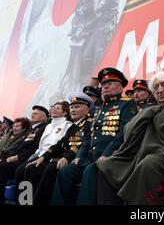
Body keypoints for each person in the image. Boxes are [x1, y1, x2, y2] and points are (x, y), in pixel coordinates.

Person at [96, 71, 164, 204]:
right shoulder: (151, 110)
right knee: (106, 166)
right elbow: (129, 133)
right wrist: (152, 113)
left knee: (148, 164)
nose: (160, 90)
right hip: (141, 152)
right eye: (156, 88)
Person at [51, 68, 137, 205]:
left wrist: (107, 153)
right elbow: (89, 138)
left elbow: (124, 133)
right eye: (103, 84)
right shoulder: (99, 109)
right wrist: (79, 156)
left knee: (90, 171)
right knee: (66, 171)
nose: (105, 86)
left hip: (114, 157)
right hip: (91, 157)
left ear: (120, 86)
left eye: (110, 83)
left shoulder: (127, 104)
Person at [19, 93, 94, 204]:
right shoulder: (74, 126)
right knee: (31, 168)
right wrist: (43, 157)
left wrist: (66, 157)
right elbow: (59, 144)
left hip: (76, 159)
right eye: (72, 107)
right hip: (63, 157)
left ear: (87, 110)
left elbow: (82, 144)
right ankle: (26, 202)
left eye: (77, 107)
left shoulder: (90, 124)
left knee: (50, 169)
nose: (73, 110)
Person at [0, 106, 50, 204]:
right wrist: (7, 157)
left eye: (35, 114)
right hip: (19, 158)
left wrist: (18, 157)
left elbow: (36, 148)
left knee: (4, 169)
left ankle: (17, 202)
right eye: (32, 113)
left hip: (28, 159)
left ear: (43, 117)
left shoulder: (44, 128)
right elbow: (20, 147)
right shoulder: (32, 129)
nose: (32, 115)